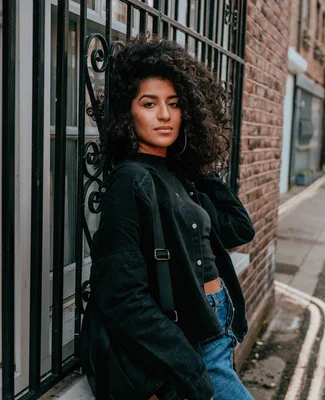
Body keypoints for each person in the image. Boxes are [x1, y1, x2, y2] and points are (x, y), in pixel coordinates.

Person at [88, 36, 256, 400]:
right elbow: (121, 294)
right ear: (126, 113)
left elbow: (239, 228)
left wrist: (198, 161)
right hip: (191, 345)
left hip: (216, 328)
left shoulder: (179, 175)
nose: (165, 115)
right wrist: (189, 368)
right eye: (149, 104)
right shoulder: (132, 179)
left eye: (175, 104)